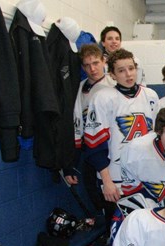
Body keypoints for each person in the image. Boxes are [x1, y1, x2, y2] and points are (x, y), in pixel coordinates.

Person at [84, 48, 159, 212]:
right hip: (116, 177)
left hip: (147, 175)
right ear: (112, 74)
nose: (128, 74)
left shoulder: (151, 96)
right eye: (121, 70)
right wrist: (106, 181)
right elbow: (94, 145)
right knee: (118, 227)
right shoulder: (103, 98)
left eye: (131, 68)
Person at [65, 44, 115, 220]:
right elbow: (77, 125)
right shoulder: (80, 87)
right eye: (87, 65)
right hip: (89, 147)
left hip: (109, 146)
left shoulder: (113, 85)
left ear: (104, 61)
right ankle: (106, 224)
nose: (92, 69)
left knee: (110, 187)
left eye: (95, 63)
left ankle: (112, 227)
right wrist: (72, 162)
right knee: (91, 187)